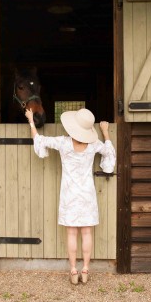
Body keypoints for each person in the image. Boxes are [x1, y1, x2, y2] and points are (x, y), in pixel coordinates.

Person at [25, 107, 116, 285]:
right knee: (87, 232)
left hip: (69, 194)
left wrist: (30, 120)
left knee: (72, 233)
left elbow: (39, 140)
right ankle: (86, 269)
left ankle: (73, 270)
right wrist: (105, 131)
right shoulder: (93, 144)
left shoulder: (64, 143)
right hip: (87, 194)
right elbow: (109, 153)